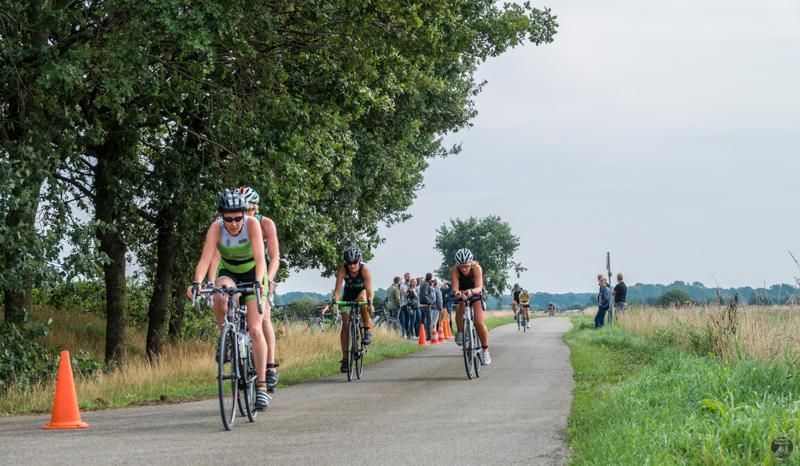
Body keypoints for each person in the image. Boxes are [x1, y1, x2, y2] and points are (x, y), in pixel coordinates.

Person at [187, 190, 270, 410]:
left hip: (253, 273)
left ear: (244, 214)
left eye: (237, 218)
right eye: (228, 219)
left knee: (255, 329)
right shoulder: (216, 228)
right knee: (219, 295)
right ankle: (225, 336)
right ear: (222, 217)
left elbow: (260, 258)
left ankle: (262, 387)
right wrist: (197, 283)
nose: (233, 224)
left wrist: (259, 282)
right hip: (230, 272)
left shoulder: (252, 225)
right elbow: (205, 259)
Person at [209, 186, 280, 391]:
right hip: (234, 270)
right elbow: (216, 257)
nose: (245, 214)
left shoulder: (264, 224)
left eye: (249, 210)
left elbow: (274, 256)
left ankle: (269, 367)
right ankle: (232, 346)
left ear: (256, 208)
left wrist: (269, 280)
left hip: (261, 269)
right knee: (229, 301)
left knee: (263, 318)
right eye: (243, 209)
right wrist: (212, 283)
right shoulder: (229, 226)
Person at [331, 246, 375, 373]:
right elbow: (337, 290)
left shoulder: (364, 270)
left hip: (363, 292)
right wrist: (335, 304)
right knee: (345, 324)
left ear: (359, 261)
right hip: (348, 295)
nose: (352, 266)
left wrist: (370, 303)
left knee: (362, 299)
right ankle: (345, 359)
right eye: (349, 263)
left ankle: (367, 329)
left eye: (355, 262)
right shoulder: (343, 269)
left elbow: (369, 290)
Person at [450, 248, 491, 365]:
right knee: (460, 309)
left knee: (479, 322)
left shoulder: (477, 268)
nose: (464, 269)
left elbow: (479, 287)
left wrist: (471, 291)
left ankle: (485, 350)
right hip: (462, 293)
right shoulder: (454, 270)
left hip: (475, 292)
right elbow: (455, 287)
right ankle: (460, 332)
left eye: (466, 266)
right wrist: (457, 292)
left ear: (471, 263)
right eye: (461, 266)